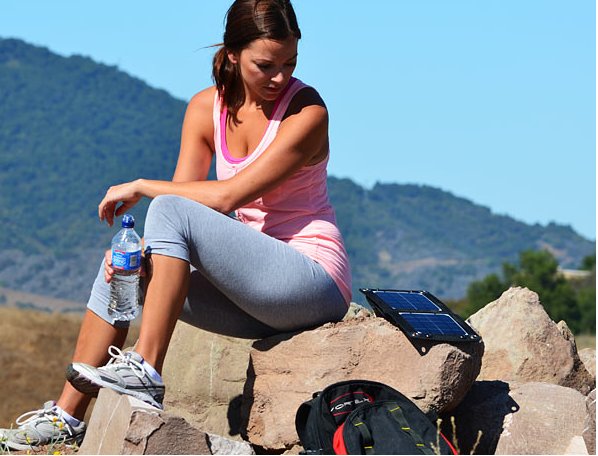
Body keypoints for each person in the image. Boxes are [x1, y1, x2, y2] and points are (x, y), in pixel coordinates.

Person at [0, 0, 352, 450]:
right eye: (266, 65)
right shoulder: (207, 109)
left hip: (310, 283)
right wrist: (136, 260)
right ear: (232, 55)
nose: (280, 77)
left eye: (290, 63)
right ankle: (67, 416)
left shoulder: (307, 113)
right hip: (250, 289)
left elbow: (223, 197)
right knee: (125, 263)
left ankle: (145, 369)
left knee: (165, 205)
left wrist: (142, 184)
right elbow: (183, 215)